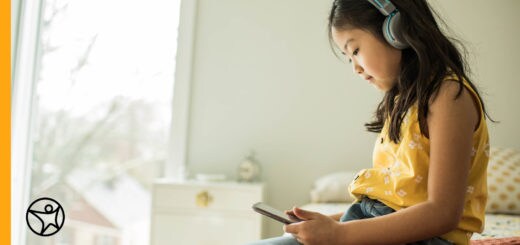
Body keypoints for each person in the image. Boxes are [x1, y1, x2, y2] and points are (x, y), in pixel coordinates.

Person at [246, 0, 491, 244]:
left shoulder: (448, 96)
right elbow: (392, 204)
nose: (355, 68)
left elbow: (442, 213)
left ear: (396, 31)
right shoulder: (403, 103)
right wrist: (329, 224)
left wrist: (339, 234)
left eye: (355, 50)